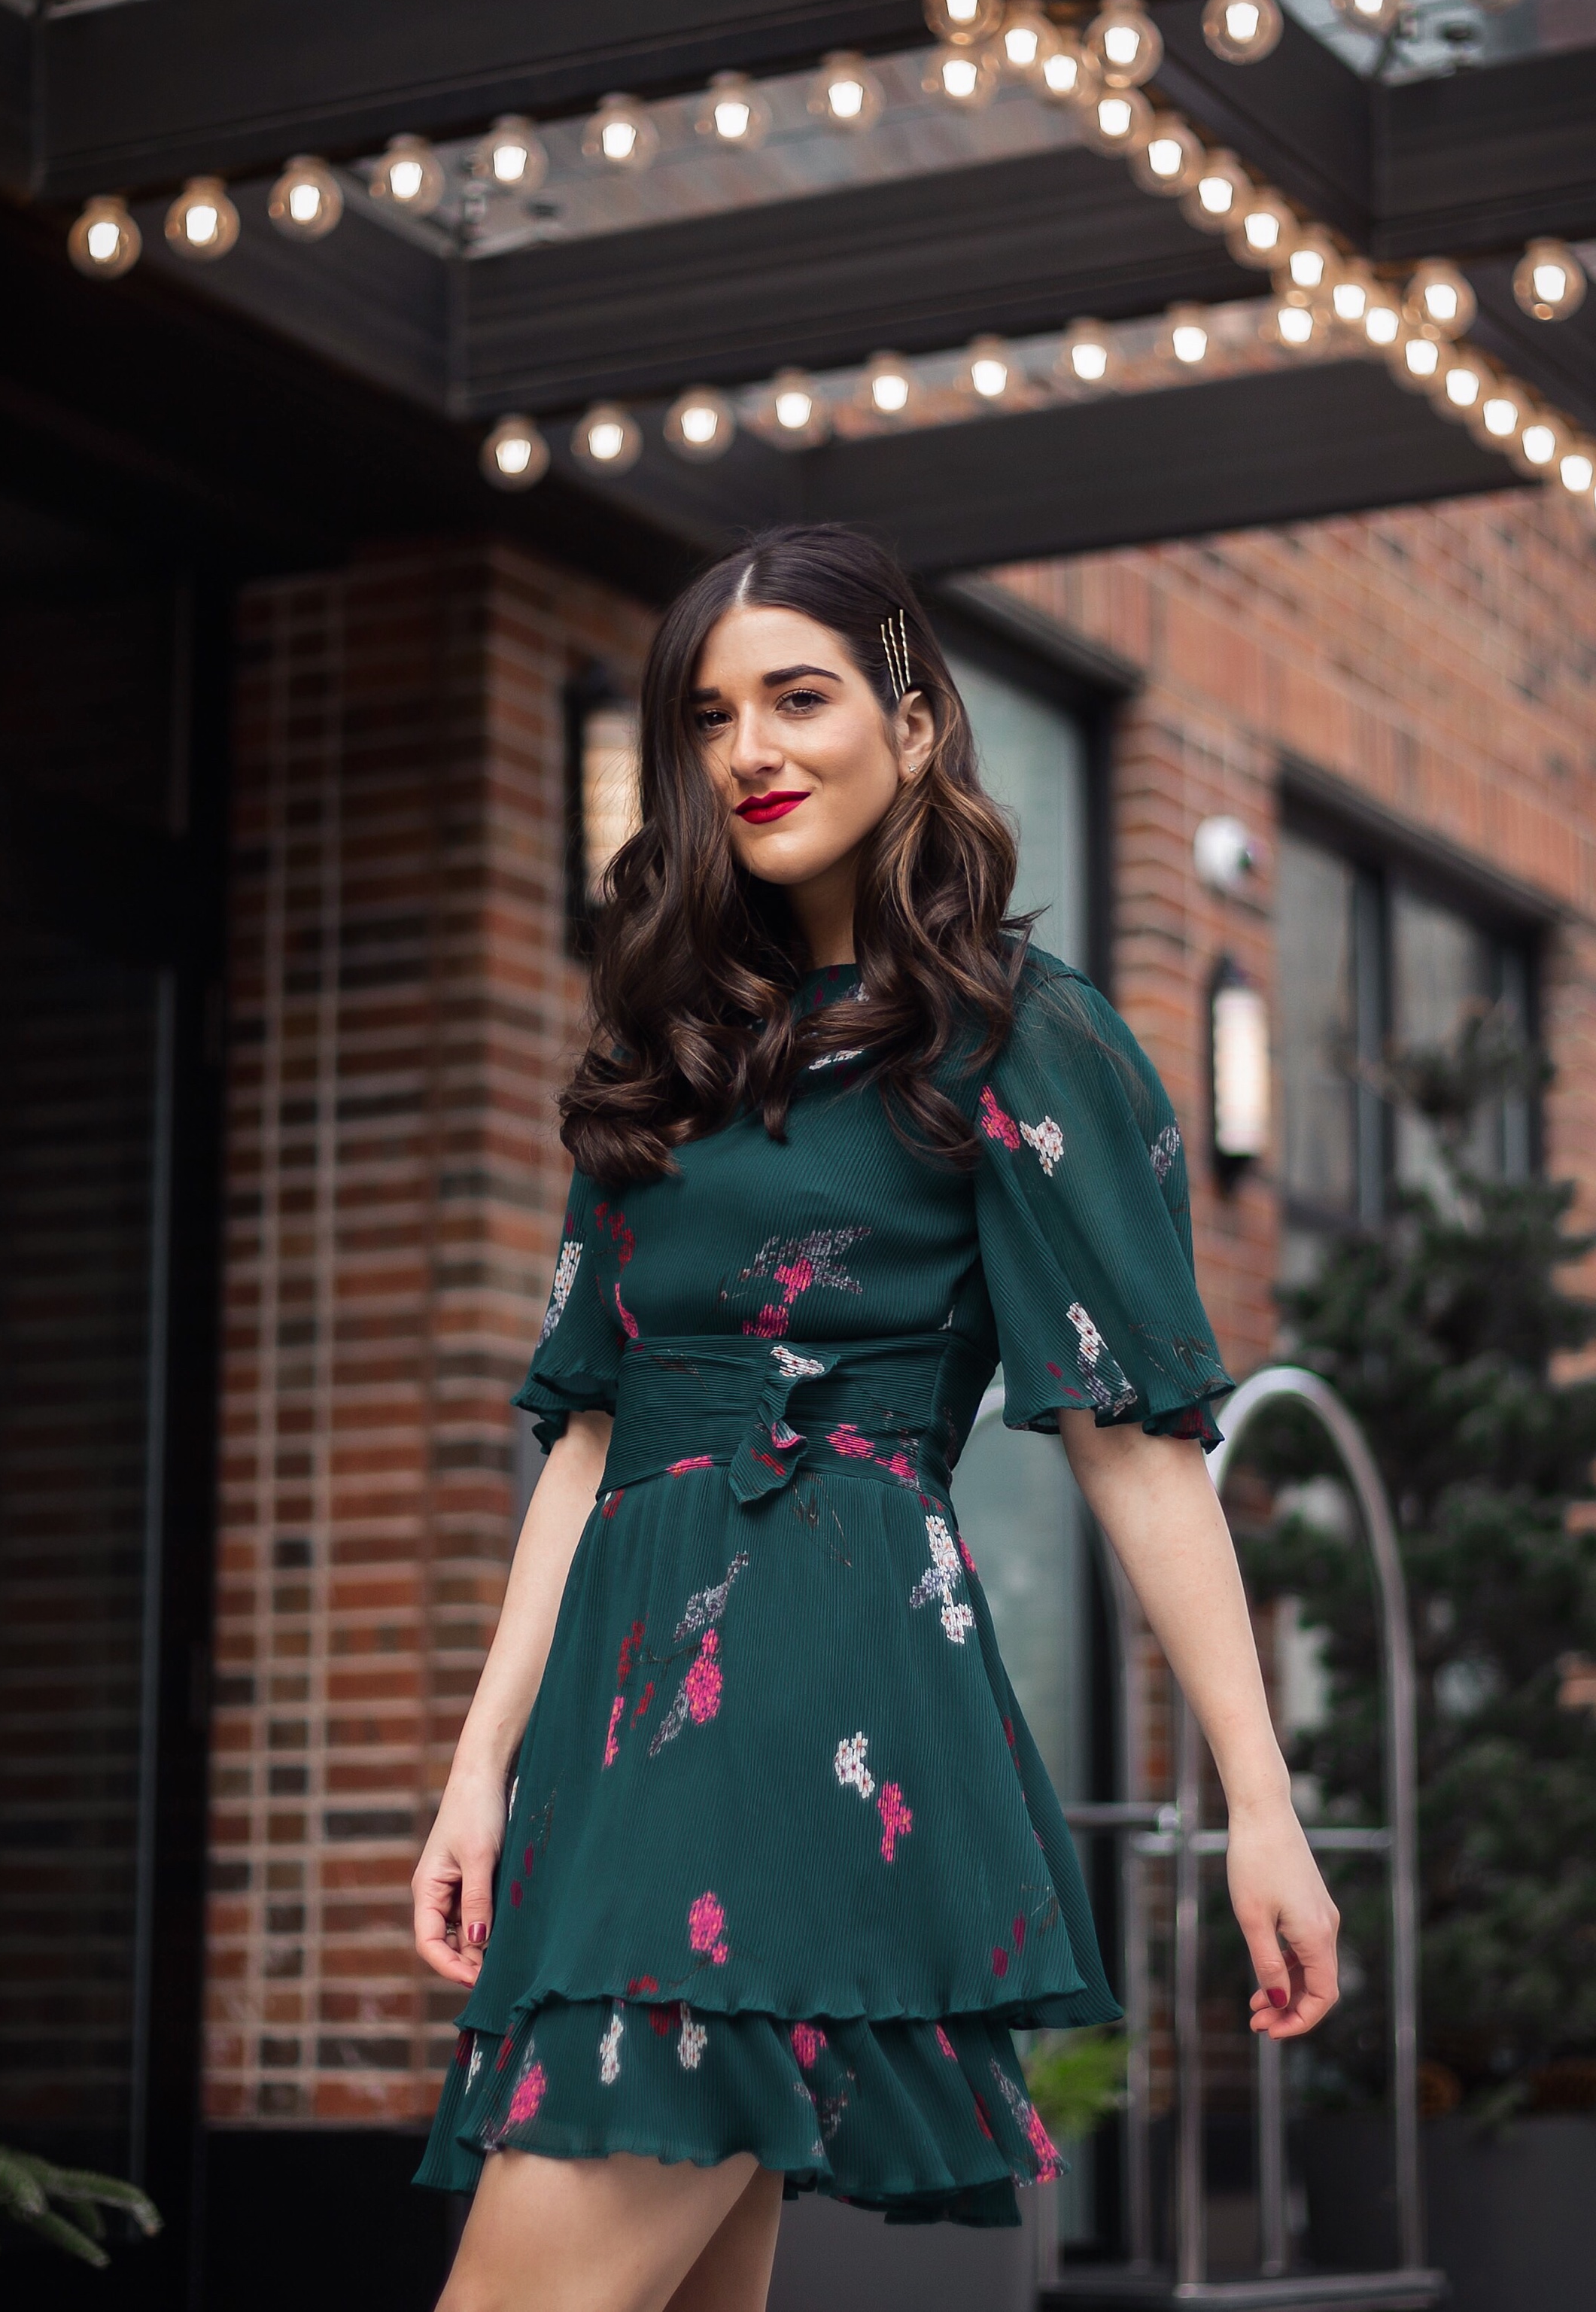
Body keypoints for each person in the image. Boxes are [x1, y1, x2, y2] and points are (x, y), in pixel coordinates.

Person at [411, 525, 1339, 2312]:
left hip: (816, 1684)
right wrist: (478, 1766)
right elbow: (590, 1435)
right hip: (619, 1730)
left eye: (799, 697)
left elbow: (1138, 1448)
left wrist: (1259, 1799)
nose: (748, 749)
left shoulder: (1009, 1033)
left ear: (914, 726)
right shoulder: (668, 1046)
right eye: (709, 716)